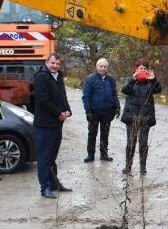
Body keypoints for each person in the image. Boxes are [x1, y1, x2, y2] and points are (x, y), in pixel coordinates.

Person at [32, 53, 72, 198]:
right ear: (46, 62)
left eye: (57, 63)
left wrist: (68, 110)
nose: (55, 66)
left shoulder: (58, 76)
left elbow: (63, 96)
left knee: (52, 157)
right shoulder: (41, 77)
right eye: (52, 63)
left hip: (57, 124)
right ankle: (45, 188)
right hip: (44, 125)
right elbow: (43, 100)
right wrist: (58, 114)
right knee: (43, 158)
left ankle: (54, 184)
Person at [120, 58, 162, 175]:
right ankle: (128, 166)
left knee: (143, 143)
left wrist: (153, 79)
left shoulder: (150, 82)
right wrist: (133, 79)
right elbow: (125, 90)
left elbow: (158, 90)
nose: (142, 70)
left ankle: (143, 167)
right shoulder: (130, 80)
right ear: (136, 69)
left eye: (144, 68)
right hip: (131, 117)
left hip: (145, 118)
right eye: (140, 68)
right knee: (131, 143)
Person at [81, 57, 120, 162]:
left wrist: (117, 107)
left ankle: (104, 154)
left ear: (107, 67)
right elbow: (85, 97)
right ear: (97, 66)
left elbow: (114, 94)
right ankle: (90, 154)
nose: (102, 68)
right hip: (94, 111)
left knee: (105, 133)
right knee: (92, 133)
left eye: (105, 66)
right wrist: (88, 111)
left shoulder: (111, 79)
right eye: (101, 66)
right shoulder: (90, 79)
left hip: (107, 111)